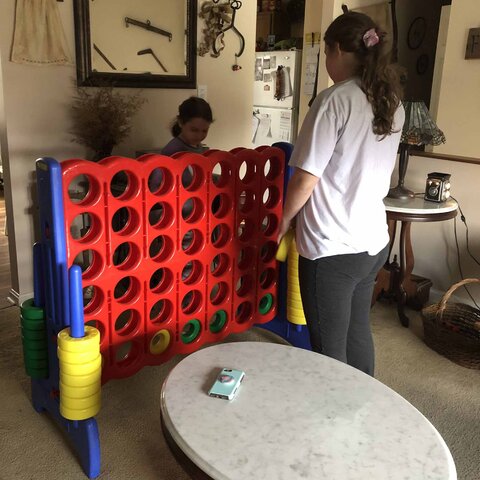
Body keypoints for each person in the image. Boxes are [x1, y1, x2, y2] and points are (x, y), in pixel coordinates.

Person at [277, 11, 405, 376]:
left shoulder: (334, 100)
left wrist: (283, 220)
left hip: (332, 248)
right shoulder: (391, 101)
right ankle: (366, 409)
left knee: (328, 349)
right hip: (372, 241)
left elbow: (305, 179)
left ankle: (335, 426)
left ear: (335, 50)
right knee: (357, 332)